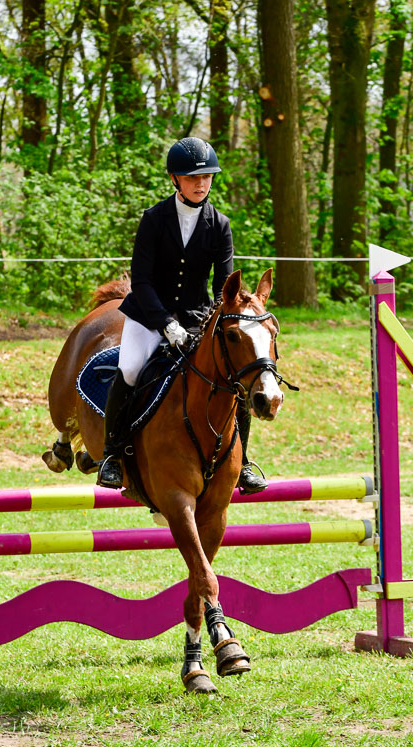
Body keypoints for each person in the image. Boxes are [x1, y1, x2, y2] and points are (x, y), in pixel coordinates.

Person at [97, 136, 267, 495]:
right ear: (175, 179)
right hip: (147, 313)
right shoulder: (154, 219)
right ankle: (112, 454)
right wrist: (166, 324)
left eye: (206, 177)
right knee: (129, 369)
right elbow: (141, 280)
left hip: (197, 315)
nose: (201, 184)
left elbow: (225, 284)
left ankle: (245, 460)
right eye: (192, 178)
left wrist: (218, 317)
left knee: (232, 376)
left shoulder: (219, 224)